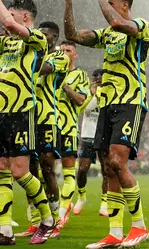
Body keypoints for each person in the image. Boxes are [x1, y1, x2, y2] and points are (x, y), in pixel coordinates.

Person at [60, 0, 149, 248]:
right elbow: (73, 34)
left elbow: (115, 21)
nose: (106, 10)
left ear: (124, 5)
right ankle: (114, 232)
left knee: (117, 162)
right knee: (108, 169)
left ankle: (139, 227)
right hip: (107, 106)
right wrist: (68, 0)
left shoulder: (140, 26)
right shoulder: (108, 35)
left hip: (130, 102)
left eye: (111, 4)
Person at [0, 0, 55, 244]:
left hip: (21, 112)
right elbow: (7, 27)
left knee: (20, 172)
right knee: (1, 171)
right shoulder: (6, 42)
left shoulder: (36, 40)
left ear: (25, 16)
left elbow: (9, 24)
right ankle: (5, 230)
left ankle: (46, 220)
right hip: (1, 113)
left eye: (11, 14)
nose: (6, 21)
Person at [15, 21, 70, 237]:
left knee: (47, 169)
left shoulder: (59, 58)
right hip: (28, 117)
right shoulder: (31, 53)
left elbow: (42, 68)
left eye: (44, 34)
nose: (41, 37)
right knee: (30, 170)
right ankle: (36, 221)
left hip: (47, 118)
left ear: (54, 38)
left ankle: (54, 221)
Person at [49, 40, 90, 238]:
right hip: (48, 126)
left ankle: (61, 214)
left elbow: (81, 100)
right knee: (45, 171)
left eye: (68, 51)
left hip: (68, 128)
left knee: (68, 174)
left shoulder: (80, 75)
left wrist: (66, 87)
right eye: (62, 50)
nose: (64, 53)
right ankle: (48, 213)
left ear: (75, 54)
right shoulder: (51, 71)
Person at [73, 69, 108, 217]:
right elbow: (81, 109)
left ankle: (105, 203)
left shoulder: (108, 92)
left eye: (100, 78)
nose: (98, 80)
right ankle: (82, 196)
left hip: (103, 134)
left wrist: (99, 93)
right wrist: (92, 94)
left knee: (106, 170)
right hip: (88, 135)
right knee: (82, 170)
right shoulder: (86, 92)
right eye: (96, 78)